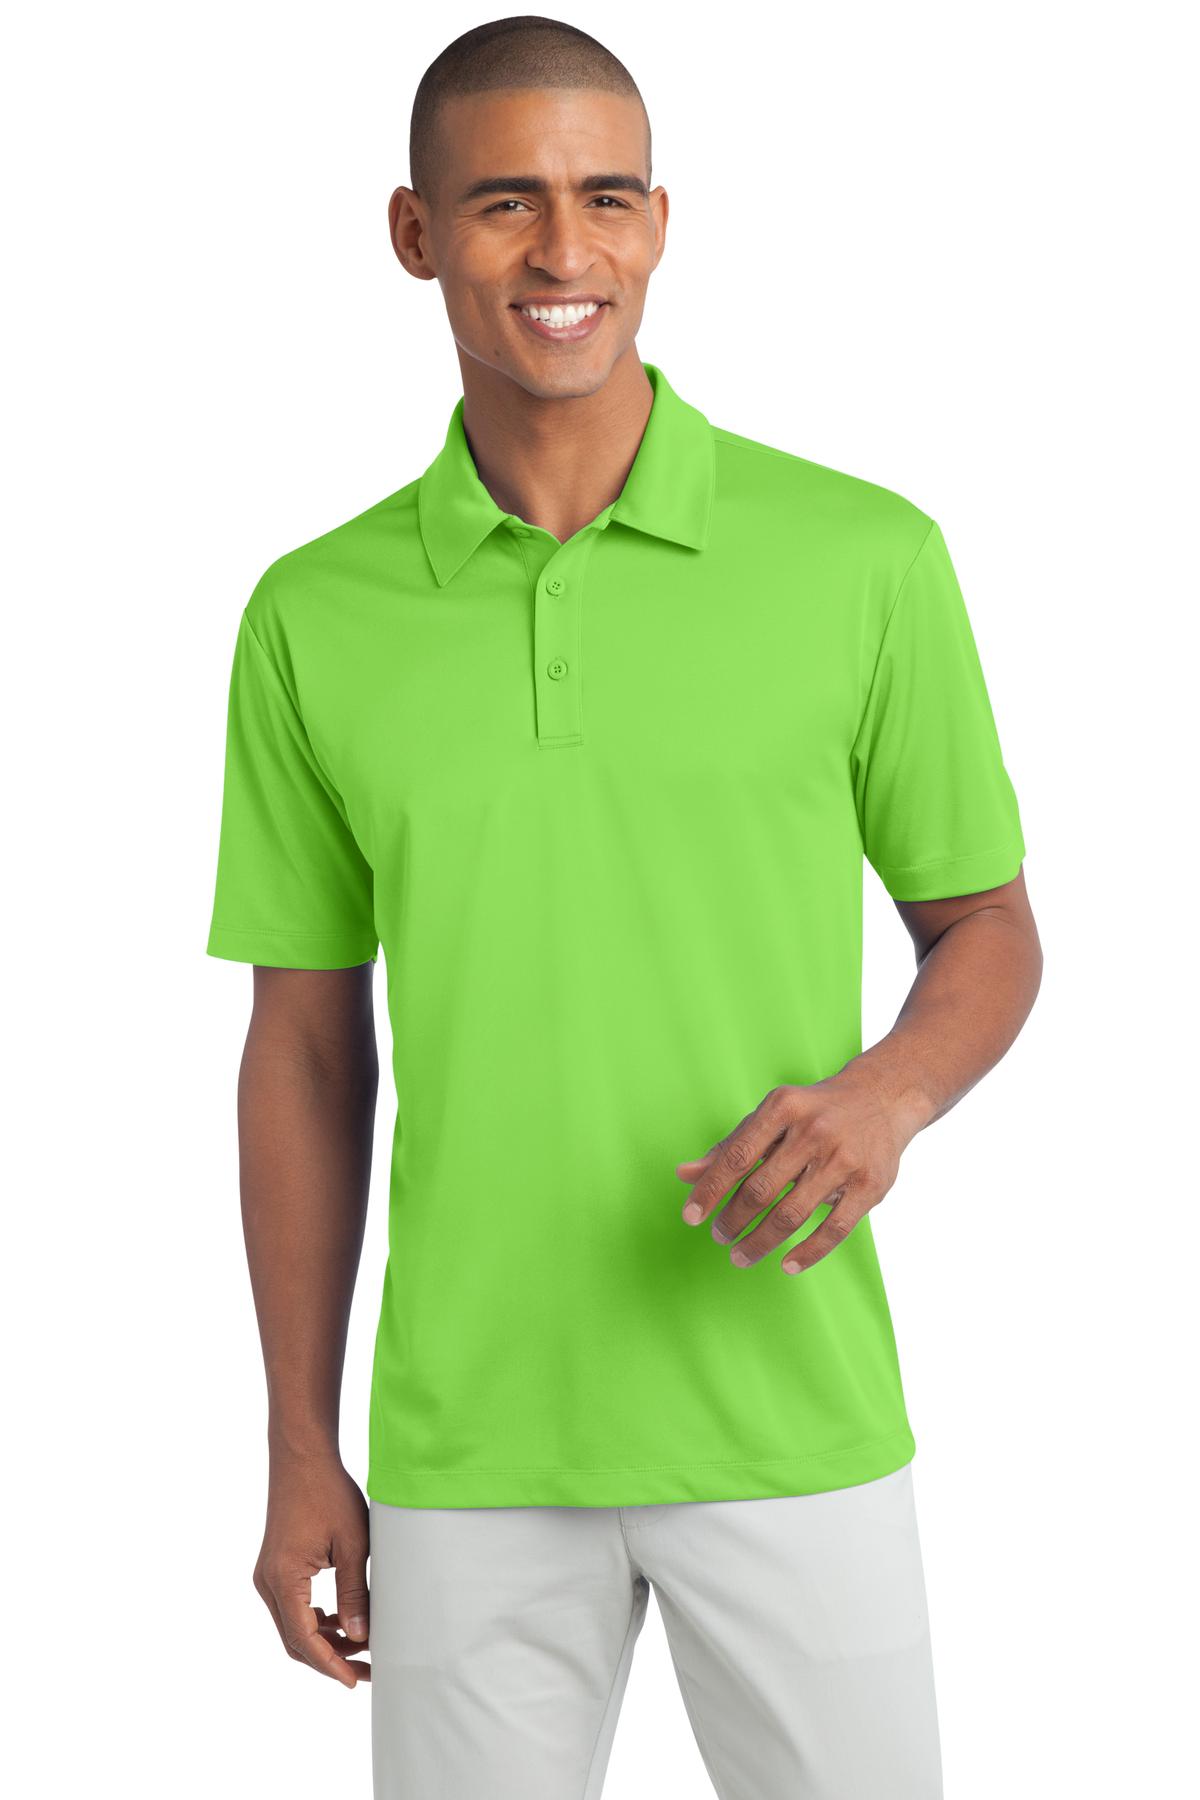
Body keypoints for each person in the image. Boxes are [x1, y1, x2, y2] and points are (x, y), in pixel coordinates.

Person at [205, 16, 1043, 1798]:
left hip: (791, 1411)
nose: (562, 250)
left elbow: (988, 925)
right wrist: (296, 1443)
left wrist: (888, 1097)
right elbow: (305, 1051)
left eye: (606, 197)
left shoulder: (865, 558)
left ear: (661, 223)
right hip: (469, 1444)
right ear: (415, 233)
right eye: (503, 201)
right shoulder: (312, 616)